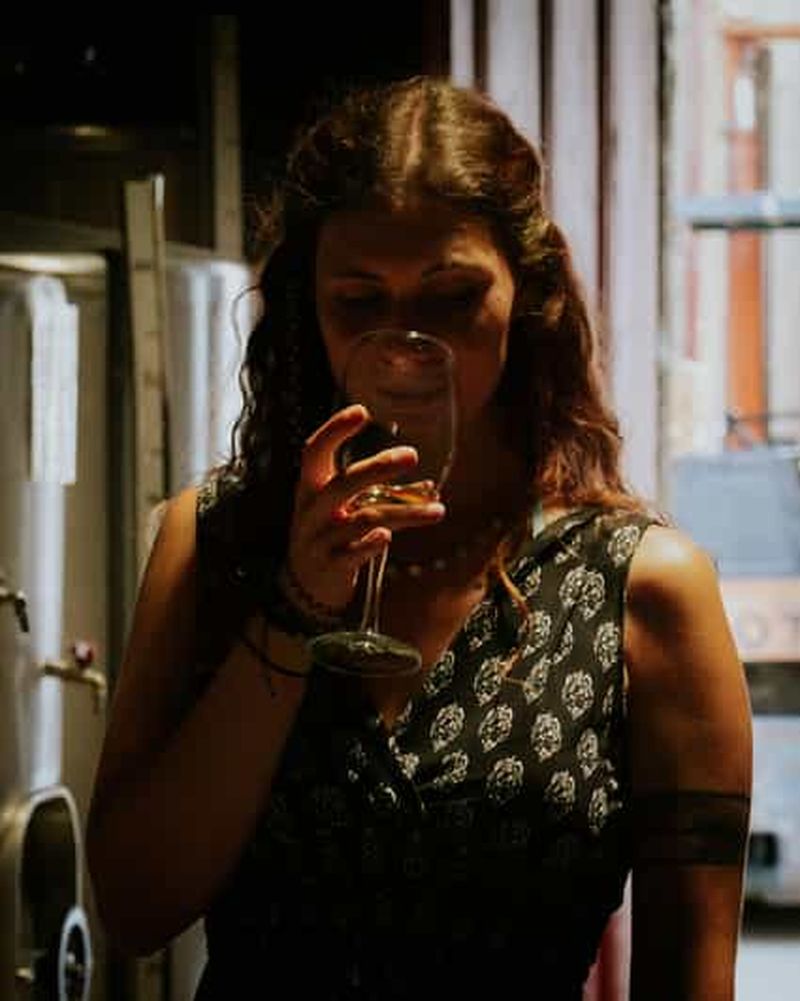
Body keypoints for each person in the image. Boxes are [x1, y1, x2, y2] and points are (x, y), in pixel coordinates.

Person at [87, 76, 752, 999]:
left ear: (526, 295)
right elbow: (132, 905)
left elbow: (692, 976)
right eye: (360, 302)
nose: (405, 345)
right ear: (308, 306)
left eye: (451, 298)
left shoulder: (640, 588)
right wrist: (294, 607)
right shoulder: (211, 541)